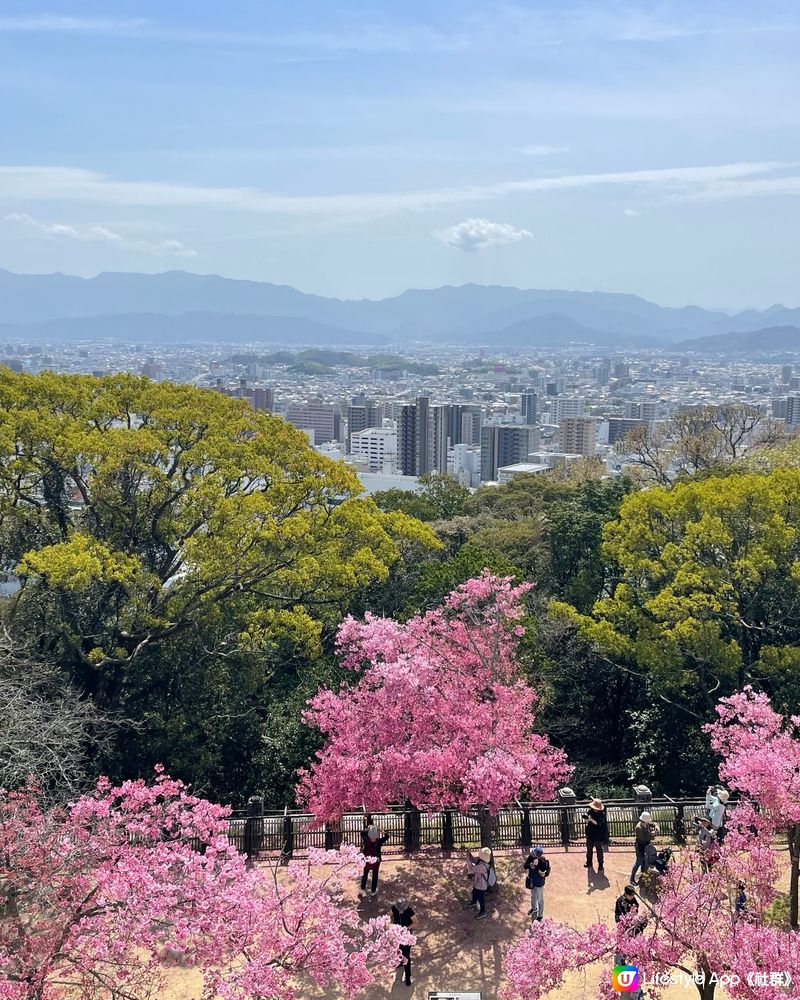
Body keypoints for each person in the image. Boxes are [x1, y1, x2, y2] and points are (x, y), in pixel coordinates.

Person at [391, 897, 415, 987]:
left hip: (406, 936)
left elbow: (415, 922)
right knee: (398, 954)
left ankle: (408, 977)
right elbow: (388, 916)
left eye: (402, 909)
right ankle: (398, 976)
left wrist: (407, 928)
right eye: (399, 909)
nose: (400, 911)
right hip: (397, 935)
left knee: (406, 956)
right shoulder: (394, 908)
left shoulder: (409, 910)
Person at [630, 811, 659, 885]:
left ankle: (642, 875)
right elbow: (643, 838)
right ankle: (632, 878)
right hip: (640, 846)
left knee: (644, 860)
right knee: (639, 861)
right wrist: (652, 835)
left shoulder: (646, 824)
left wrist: (656, 826)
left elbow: (654, 823)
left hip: (646, 845)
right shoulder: (638, 828)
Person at [359, 824, 389, 897]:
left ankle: (362, 889)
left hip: (367, 859)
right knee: (375, 875)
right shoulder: (379, 841)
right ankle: (373, 891)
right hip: (376, 860)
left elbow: (362, 833)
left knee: (365, 873)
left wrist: (368, 829)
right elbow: (387, 836)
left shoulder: (366, 839)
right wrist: (381, 830)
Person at [524, 845, 551, 921]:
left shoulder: (543, 861)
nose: (532, 854)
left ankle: (540, 915)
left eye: (534, 854)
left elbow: (548, 870)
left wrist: (544, 873)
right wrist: (530, 865)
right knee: (533, 896)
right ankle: (534, 908)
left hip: (539, 883)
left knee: (540, 899)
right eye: (533, 852)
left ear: (539, 856)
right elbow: (525, 866)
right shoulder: (530, 858)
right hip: (532, 882)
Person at [465, 847, 491, 918]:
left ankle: (483, 912)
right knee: (474, 892)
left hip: (482, 885)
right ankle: (474, 902)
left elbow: (471, 869)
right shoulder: (480, 860)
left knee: (480, 898)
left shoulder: (483, 866)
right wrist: (470, 855)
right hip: (477, 883)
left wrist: (468, 860)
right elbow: (474, 860)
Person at [584, 797, 608, 871]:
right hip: (590, 833)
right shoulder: (590, 811)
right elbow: (587, 819)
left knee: (599, 850)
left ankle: (600, 864)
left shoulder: (602, 814)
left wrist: (591, 820)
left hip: (598, 834)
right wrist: (587, 819)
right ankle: (589, 862)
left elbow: (598, 823)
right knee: (589, 849)